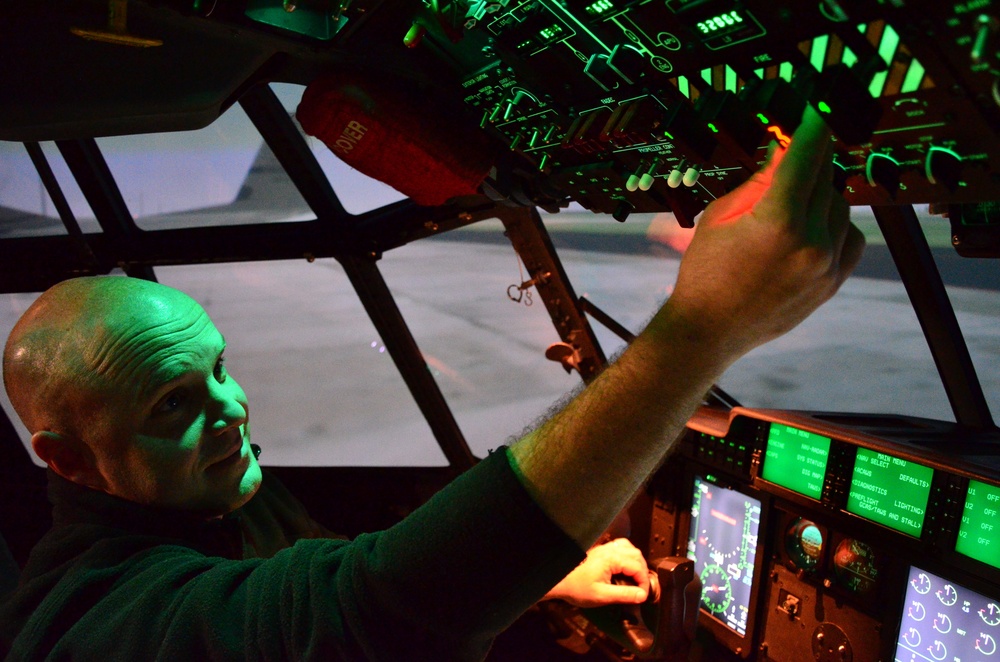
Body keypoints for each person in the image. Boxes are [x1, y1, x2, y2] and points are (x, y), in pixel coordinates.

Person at [0, 105, 863, 660]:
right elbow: (362, 612)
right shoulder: (97, 624)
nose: (229, 409)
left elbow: (325, 571)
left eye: (218, 370)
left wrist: (546, 579)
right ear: (66, 459)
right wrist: (702, 330)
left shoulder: (202, 498)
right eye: (172, 404)